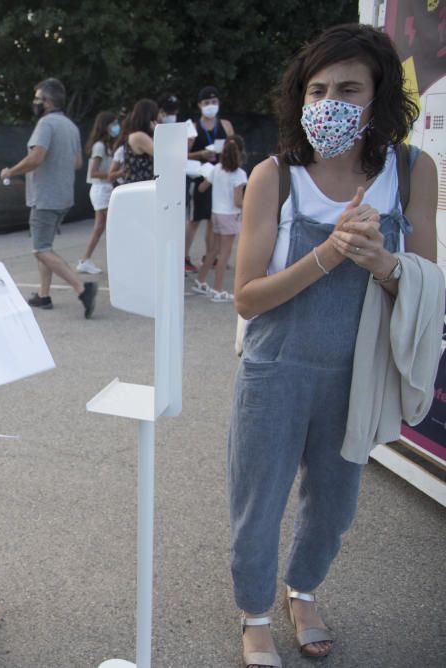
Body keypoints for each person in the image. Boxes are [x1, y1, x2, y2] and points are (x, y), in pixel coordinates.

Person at [228, 24, 436, 668]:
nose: (330, 103)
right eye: (317, 90)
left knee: (336, 501)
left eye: (349, 88)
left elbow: (428, 285)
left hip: (360, 372)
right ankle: (256, 612)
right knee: (257, 496)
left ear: (379, 97)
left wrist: (383, 263)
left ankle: (304, 589)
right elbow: (246, 296)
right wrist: (327, 253)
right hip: (276, 365)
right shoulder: (276, 175)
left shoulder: (411, 170)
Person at [0, 77, 97, 317]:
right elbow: (76, 162)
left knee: (41, 250)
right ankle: (43, 296)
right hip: (63, 197)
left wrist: (10, 171)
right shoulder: (71, 127)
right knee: (46, 247)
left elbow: (36, 158)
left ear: (48, 101)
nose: (35, 102)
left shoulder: (46, 125)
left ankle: (82, 288)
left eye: (37, 98)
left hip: (45, 198)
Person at [192, 135, 247, 302]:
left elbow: (202, 188)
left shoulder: (216, 169)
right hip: (229, 216)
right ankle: (218, 289)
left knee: (214, 250)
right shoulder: (239, 174)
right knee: (225, 253)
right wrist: (250, 204)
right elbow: (238, 202)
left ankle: (201, 280)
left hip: (216, 213)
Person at [186, 86, 234, 272]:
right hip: (200, 177)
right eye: (207, 103)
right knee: (195, 219)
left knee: (214, 219)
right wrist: (201, 154)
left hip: (221, 177)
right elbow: (183, 154)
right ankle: (184, 257)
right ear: (200, 105)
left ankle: (211, 256)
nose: (211, 106)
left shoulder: (226, 125)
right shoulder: (193, 127)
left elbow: (233, 146)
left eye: (214, 102)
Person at [77, 111, 119, 274]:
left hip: (105, 188)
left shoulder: (108, 145)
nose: (116, 127)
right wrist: (114, 174)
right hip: (101, 189)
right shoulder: (99, 146)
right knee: (106, 225)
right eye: (113, 124)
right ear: (105, 126)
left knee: (100, 226)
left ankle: (85, 259)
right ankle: (85, 259)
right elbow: (93, 172)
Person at [116, 99, 158, 186]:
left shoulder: (138, 135)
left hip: (141, 186)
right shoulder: (139, 136)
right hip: (138, 186)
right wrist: (157, 132)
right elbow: (161, 154)